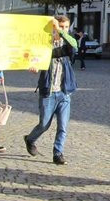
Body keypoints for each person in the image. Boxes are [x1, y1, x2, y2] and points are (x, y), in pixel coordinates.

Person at [23, 15, 77, 165]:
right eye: (60, 26)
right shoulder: (44, 44)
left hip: (64, 92)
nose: (63, 29)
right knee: (44, 125)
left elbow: (74, 46)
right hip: (48, 92)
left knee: (63, 126)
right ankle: (30, 139)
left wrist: (61, 32)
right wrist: (33, 66)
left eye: (66, 27)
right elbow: (33, 59)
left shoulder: (68, 44)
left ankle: (58, 153)